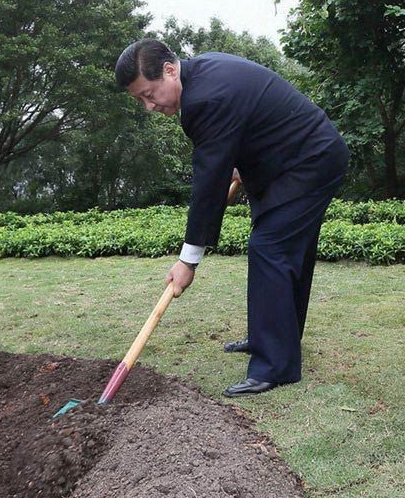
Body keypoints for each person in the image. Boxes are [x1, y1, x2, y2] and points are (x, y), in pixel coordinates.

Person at [114, 39, 349, 396]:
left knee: (270, 248)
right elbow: (241, 129)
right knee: (281, 252)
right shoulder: (204, 76)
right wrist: (237, 163)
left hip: (310, 162)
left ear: (170, 70)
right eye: (139, 100)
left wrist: (188, 260)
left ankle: (276, 365)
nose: (149, 106)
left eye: (149, 93)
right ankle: (270, 340)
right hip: (286, 163)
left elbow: (209, 183)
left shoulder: (204, 98)